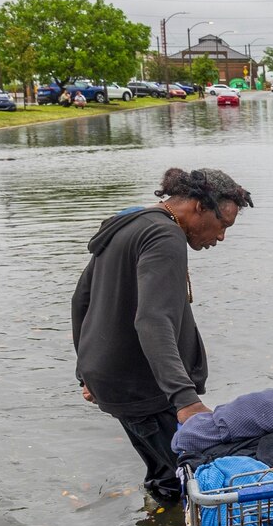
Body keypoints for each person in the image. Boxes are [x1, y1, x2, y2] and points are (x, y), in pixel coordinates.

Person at [72, 167, 254, 502]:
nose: (222, 237)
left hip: (114, 380)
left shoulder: (130, 224)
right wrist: (185, 400)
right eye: (223, 224)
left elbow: (81, 298)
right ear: (200, 206)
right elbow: (153, 320)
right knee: (193, 480)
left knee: (164, 472)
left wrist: (86, 371)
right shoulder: (164, 236)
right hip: (145, 387)